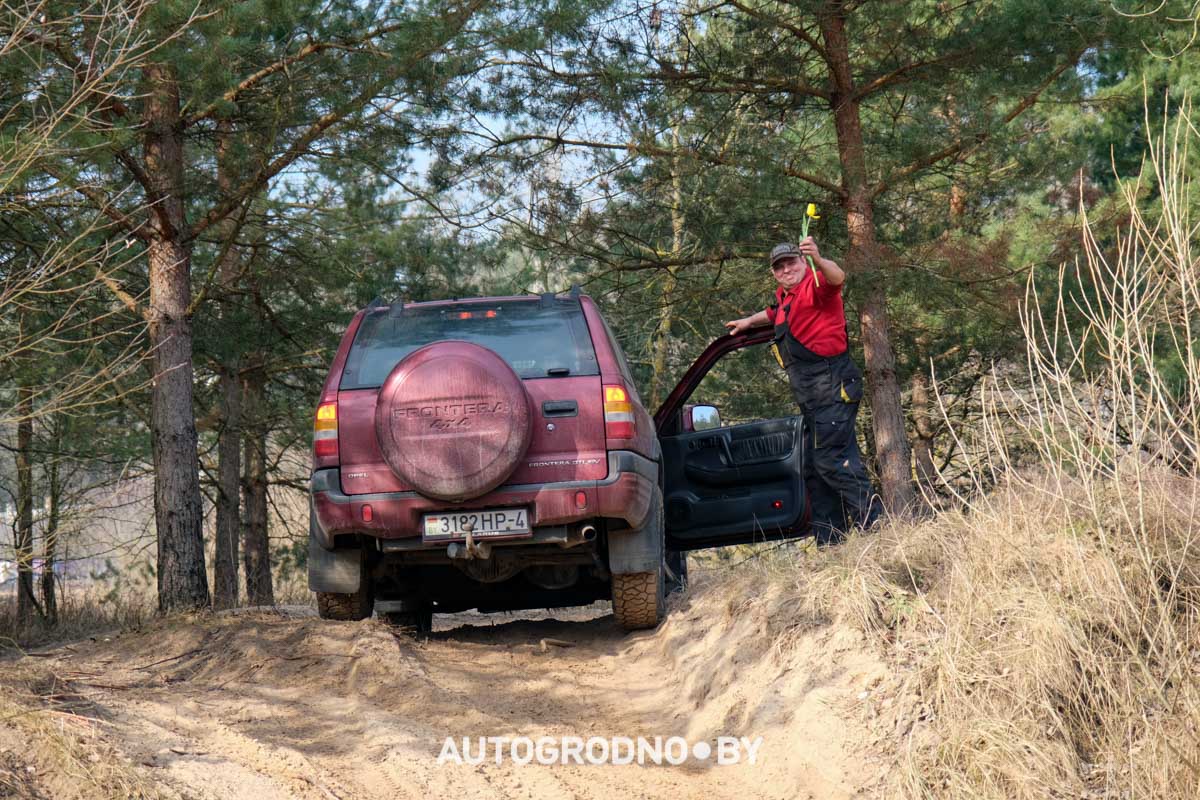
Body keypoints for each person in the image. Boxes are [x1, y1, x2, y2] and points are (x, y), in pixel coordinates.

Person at [724, 237, 880, 542]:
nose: (786, 270)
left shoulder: (817, 285)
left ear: (802, 262)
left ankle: (875, 529)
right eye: (779, 267)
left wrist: (818, 258)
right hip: (813, 400)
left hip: (833, 389)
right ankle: (832, 543)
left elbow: (838, 277)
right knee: (812, 468)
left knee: (832, 461)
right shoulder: (785, 297)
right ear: (774, 273)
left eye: (791, 262)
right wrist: (747, 322)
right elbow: (772, 315)